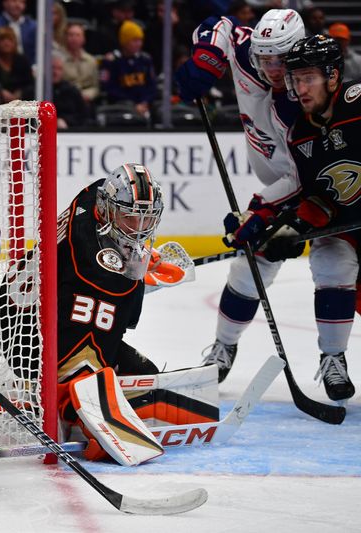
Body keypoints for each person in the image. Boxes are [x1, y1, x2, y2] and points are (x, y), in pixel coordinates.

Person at [0, 163, 202, 464]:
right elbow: (112, 327)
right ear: (109, 209)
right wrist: (90, 417)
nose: (138, 228)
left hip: (25, 311)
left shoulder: (93, 198)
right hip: (30, 339)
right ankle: (35, 392)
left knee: (140, 375)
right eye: (130, 218)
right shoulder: (94, 266)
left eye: (146, 220)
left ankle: (26, 386)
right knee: (120, 382)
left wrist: (141, 264)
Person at [174, 9, 304, 381]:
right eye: (266, 58)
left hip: (314, 185)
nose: (271, 68)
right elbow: (221, 25)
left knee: (334, 269)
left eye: (280, 60)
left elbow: (311, 167)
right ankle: (224, 346)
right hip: (279, 184)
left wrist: (266, 210)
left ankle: (334, 358)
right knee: (251, 264)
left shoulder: (312, 83)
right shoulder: (250, 51)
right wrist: (208, 57)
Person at [244, 35, 357, 402]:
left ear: (333, 77)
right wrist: (293, 230)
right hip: (348, 228)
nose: (300, 87)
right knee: (330, 259)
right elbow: (318, 199)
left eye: (308, 77)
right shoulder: (300, 136)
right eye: (295, 79)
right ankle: (333, 359)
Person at [99, 20, 156, 118]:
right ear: (124, 41)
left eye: (140, 40)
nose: (138, 44)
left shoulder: (145, 60)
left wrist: (145, 101)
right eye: (134, 40)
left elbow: (151, 86)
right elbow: (109, 88)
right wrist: (132, 104)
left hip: (144, 105)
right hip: (120, 106)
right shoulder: (112, 61)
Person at [0, 26, 34, 102]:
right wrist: (0, 91)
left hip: (20, 101)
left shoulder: (22, 60)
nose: (6, 43)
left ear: (14, 42)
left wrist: (21, 92)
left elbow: (30, 83)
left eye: (10, 40)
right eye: (2, 40)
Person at [61, 22, 100, 109]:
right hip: (66, 101)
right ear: (65, 38)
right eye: (71, 35)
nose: (74, 38)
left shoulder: (91, 61)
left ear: (83, 38)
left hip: (87, 101)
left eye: (78, 35)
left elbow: (95, 87)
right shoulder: (59, 60)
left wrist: (87, 95)